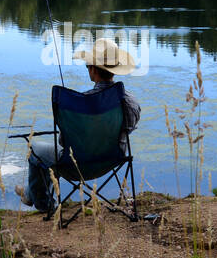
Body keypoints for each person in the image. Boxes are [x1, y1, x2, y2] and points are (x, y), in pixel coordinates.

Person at [16, 38, 141, 216]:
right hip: (113, 160)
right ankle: (30, 194)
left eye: (87, 66)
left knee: (35, 148)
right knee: (49, 156)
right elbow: (128, 129)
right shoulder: (130, 102)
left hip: (76, 165)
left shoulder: (79, 105)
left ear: (93, 69)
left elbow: (62, 141)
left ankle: (42, 203)